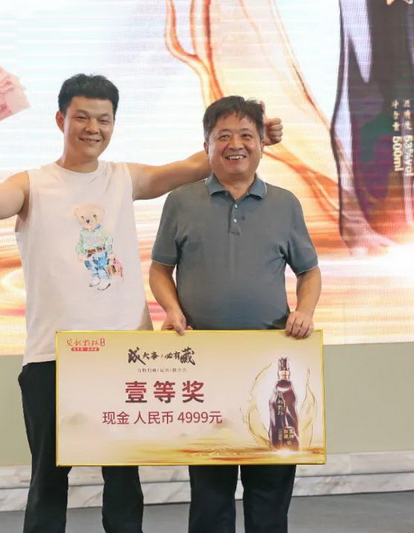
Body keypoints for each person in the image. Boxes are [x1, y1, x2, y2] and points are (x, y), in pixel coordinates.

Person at [0, 75, 283, 533]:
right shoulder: (33, 184)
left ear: (113, 124)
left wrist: (251, 138)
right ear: (61, 120)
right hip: (53, 355)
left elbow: (195, 164)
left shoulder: (123, 178)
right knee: (48, 478)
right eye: (82, 118)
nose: (93, 128)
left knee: (124, 479)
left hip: (124, 354)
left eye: (104, 120)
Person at [149, 95, 321, 533]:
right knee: (210, 492)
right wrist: (171, 309)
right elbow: (160, 269)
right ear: (206, 145)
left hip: (275, 366)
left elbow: (309, 271)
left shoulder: (285, 203)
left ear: (262, 143)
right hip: (203, 366)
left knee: (270, 490)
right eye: (223, 135)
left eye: (246, 135)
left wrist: (305, 310)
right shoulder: (181, 201)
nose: (235, 144)